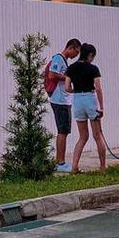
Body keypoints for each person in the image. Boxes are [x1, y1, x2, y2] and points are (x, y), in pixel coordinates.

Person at [64, 42, 106, 173]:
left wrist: (76, 92)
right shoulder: (93, 69)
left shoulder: (71, 68)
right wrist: (101, 107)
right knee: (97, 135)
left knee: (83, 137)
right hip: (90, 99)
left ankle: (74, 166)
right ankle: (103, 166)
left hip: (77, 101)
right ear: (90, 55)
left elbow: (66, 88)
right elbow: (98, 88)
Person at [47, 38, 81, 172]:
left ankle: (60, 161)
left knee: (64, 131)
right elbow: (51, 75)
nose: (75, 56)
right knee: (62, 131)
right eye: (76, 52)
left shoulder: (64, 61)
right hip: (59, 100)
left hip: (64, 100)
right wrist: (68, 78)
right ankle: (60, 163)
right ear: (70, 48)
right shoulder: (58, 59)